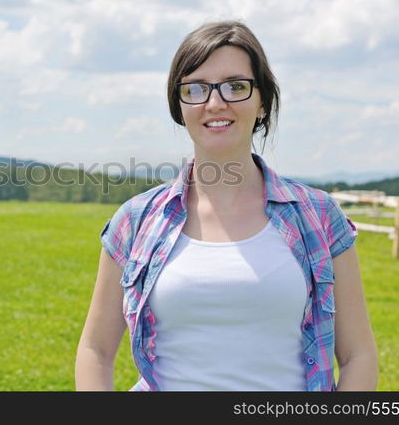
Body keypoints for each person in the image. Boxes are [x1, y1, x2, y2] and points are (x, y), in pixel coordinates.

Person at [75, 20, 378, 391]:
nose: (215, 103)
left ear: (262, 101)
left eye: (236, 86)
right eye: (196, 88)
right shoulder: (136, 220)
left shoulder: (318, 216)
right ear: (179, 106)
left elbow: (358, 355)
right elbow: (95, 350)